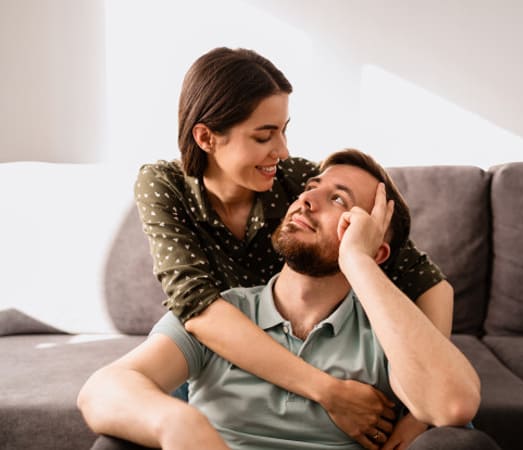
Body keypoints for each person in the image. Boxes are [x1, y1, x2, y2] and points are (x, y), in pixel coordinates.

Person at [133, 47, 455, 444]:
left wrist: (417, 417)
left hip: (316, 348)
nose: (282, 150)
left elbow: (429, 282)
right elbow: (195, 307)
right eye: (264, 136)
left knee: (456, 430)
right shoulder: (164, 186)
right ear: (206, 137)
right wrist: (327, 391)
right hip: (220, 362)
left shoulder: (296, 180)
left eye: (284, 129)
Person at [78, 149, 482, 450]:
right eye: (310, 189)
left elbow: (452, 406)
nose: (307, 200)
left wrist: (358, 262)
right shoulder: (228, 314)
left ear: (376, 250)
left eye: (339, 200)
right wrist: (176, 423)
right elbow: (101, 390)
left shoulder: (386, 332)